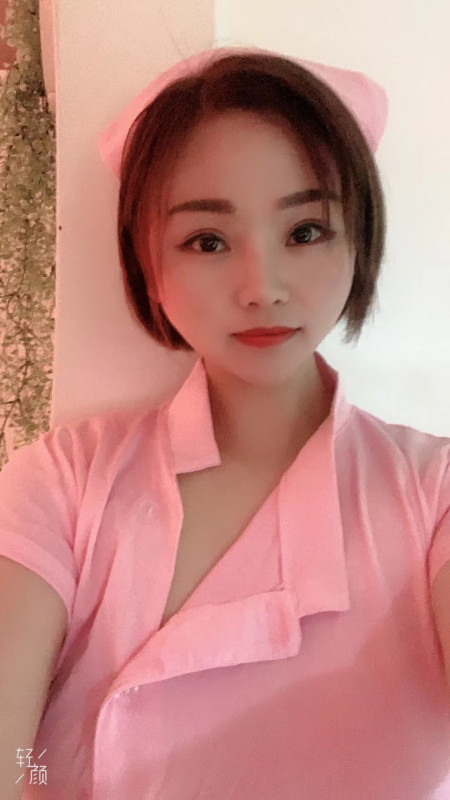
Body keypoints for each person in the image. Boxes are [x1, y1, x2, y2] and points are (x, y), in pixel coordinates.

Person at [1, 45, 450, 800]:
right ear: (148, 267)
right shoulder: (63, 481)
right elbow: (14, 761)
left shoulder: (431, 495)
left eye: (305, 231)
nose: (261, 287)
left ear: (359, 240)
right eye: (207, 241)